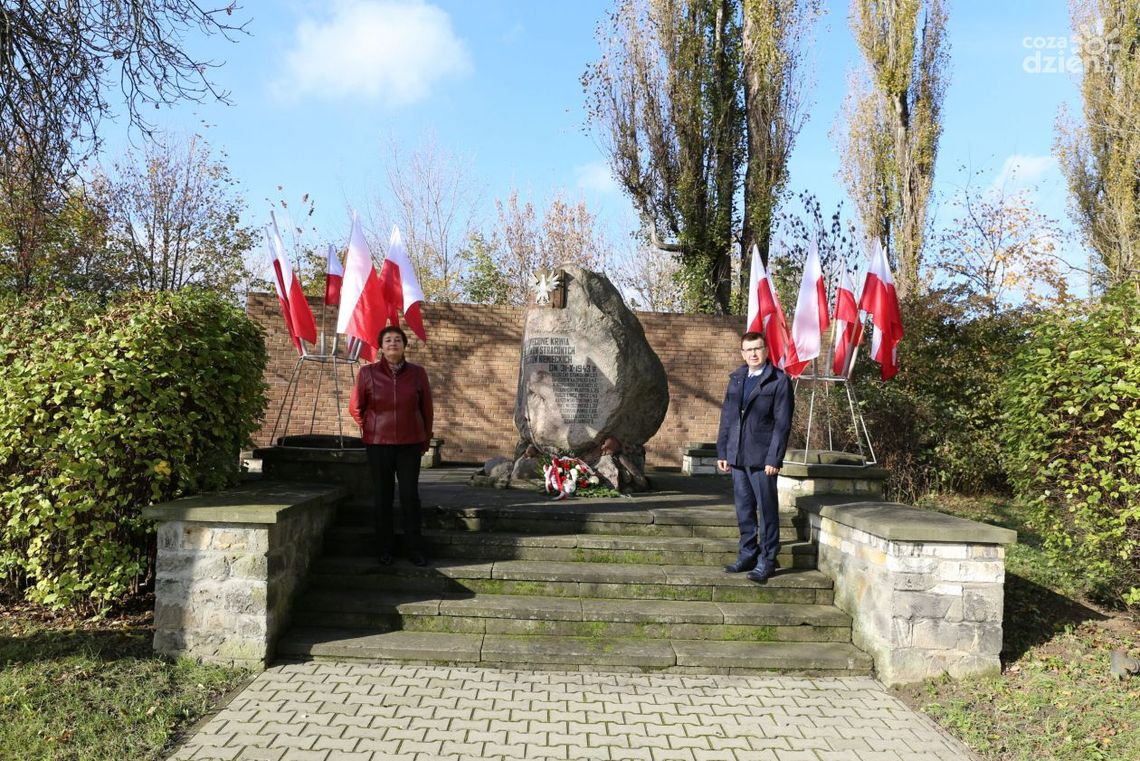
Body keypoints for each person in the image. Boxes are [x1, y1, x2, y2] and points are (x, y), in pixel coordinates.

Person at [349, 325, 434, 567]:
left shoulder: (418, 373)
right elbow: (356, 407)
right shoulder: (367, 373)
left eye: (398, 340)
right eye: (388, 340)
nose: (393, 343)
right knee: (382, 497)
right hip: (378, 445)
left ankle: (415, 549)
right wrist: (371, 426)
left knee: (409, 497)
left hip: (410, 444)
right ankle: (384, 549)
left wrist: (425, 438)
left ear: (405, 345)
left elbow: (426, 408)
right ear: (381, 347)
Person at [716, 331, 794, 583]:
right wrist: (723, 451)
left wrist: (774, 459)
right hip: (737, 456)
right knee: (744, 510)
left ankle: (767, 560)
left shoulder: (778, 381)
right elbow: (727, 418)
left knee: (767, 511)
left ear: (766, 350)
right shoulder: (736, 379)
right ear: (742, 353)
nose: (753, 354)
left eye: (757, 348)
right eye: (748, 350)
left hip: (762, 460)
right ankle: (747, 554)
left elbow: (783, 425)